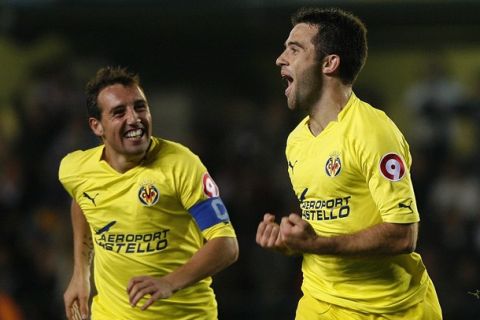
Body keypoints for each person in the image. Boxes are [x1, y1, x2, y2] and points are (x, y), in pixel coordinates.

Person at [256, 7, 442, 320]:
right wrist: (291, 240)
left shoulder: (373, 131)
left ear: (329, 63)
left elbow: (403, 235)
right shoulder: (295, 141)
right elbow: (329, 220)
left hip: (391, 309)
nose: (280, 58)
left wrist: (318, 244)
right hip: (320, 302)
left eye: (294, 49)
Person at [59, 66, 238, 320]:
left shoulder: (181, 164)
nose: (134, 119)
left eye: (140, 107)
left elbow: (226, 244)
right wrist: (80, 274)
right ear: (96, 126)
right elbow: (82, 201)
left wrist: (168, 282)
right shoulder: (75, 169)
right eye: (119, 112)